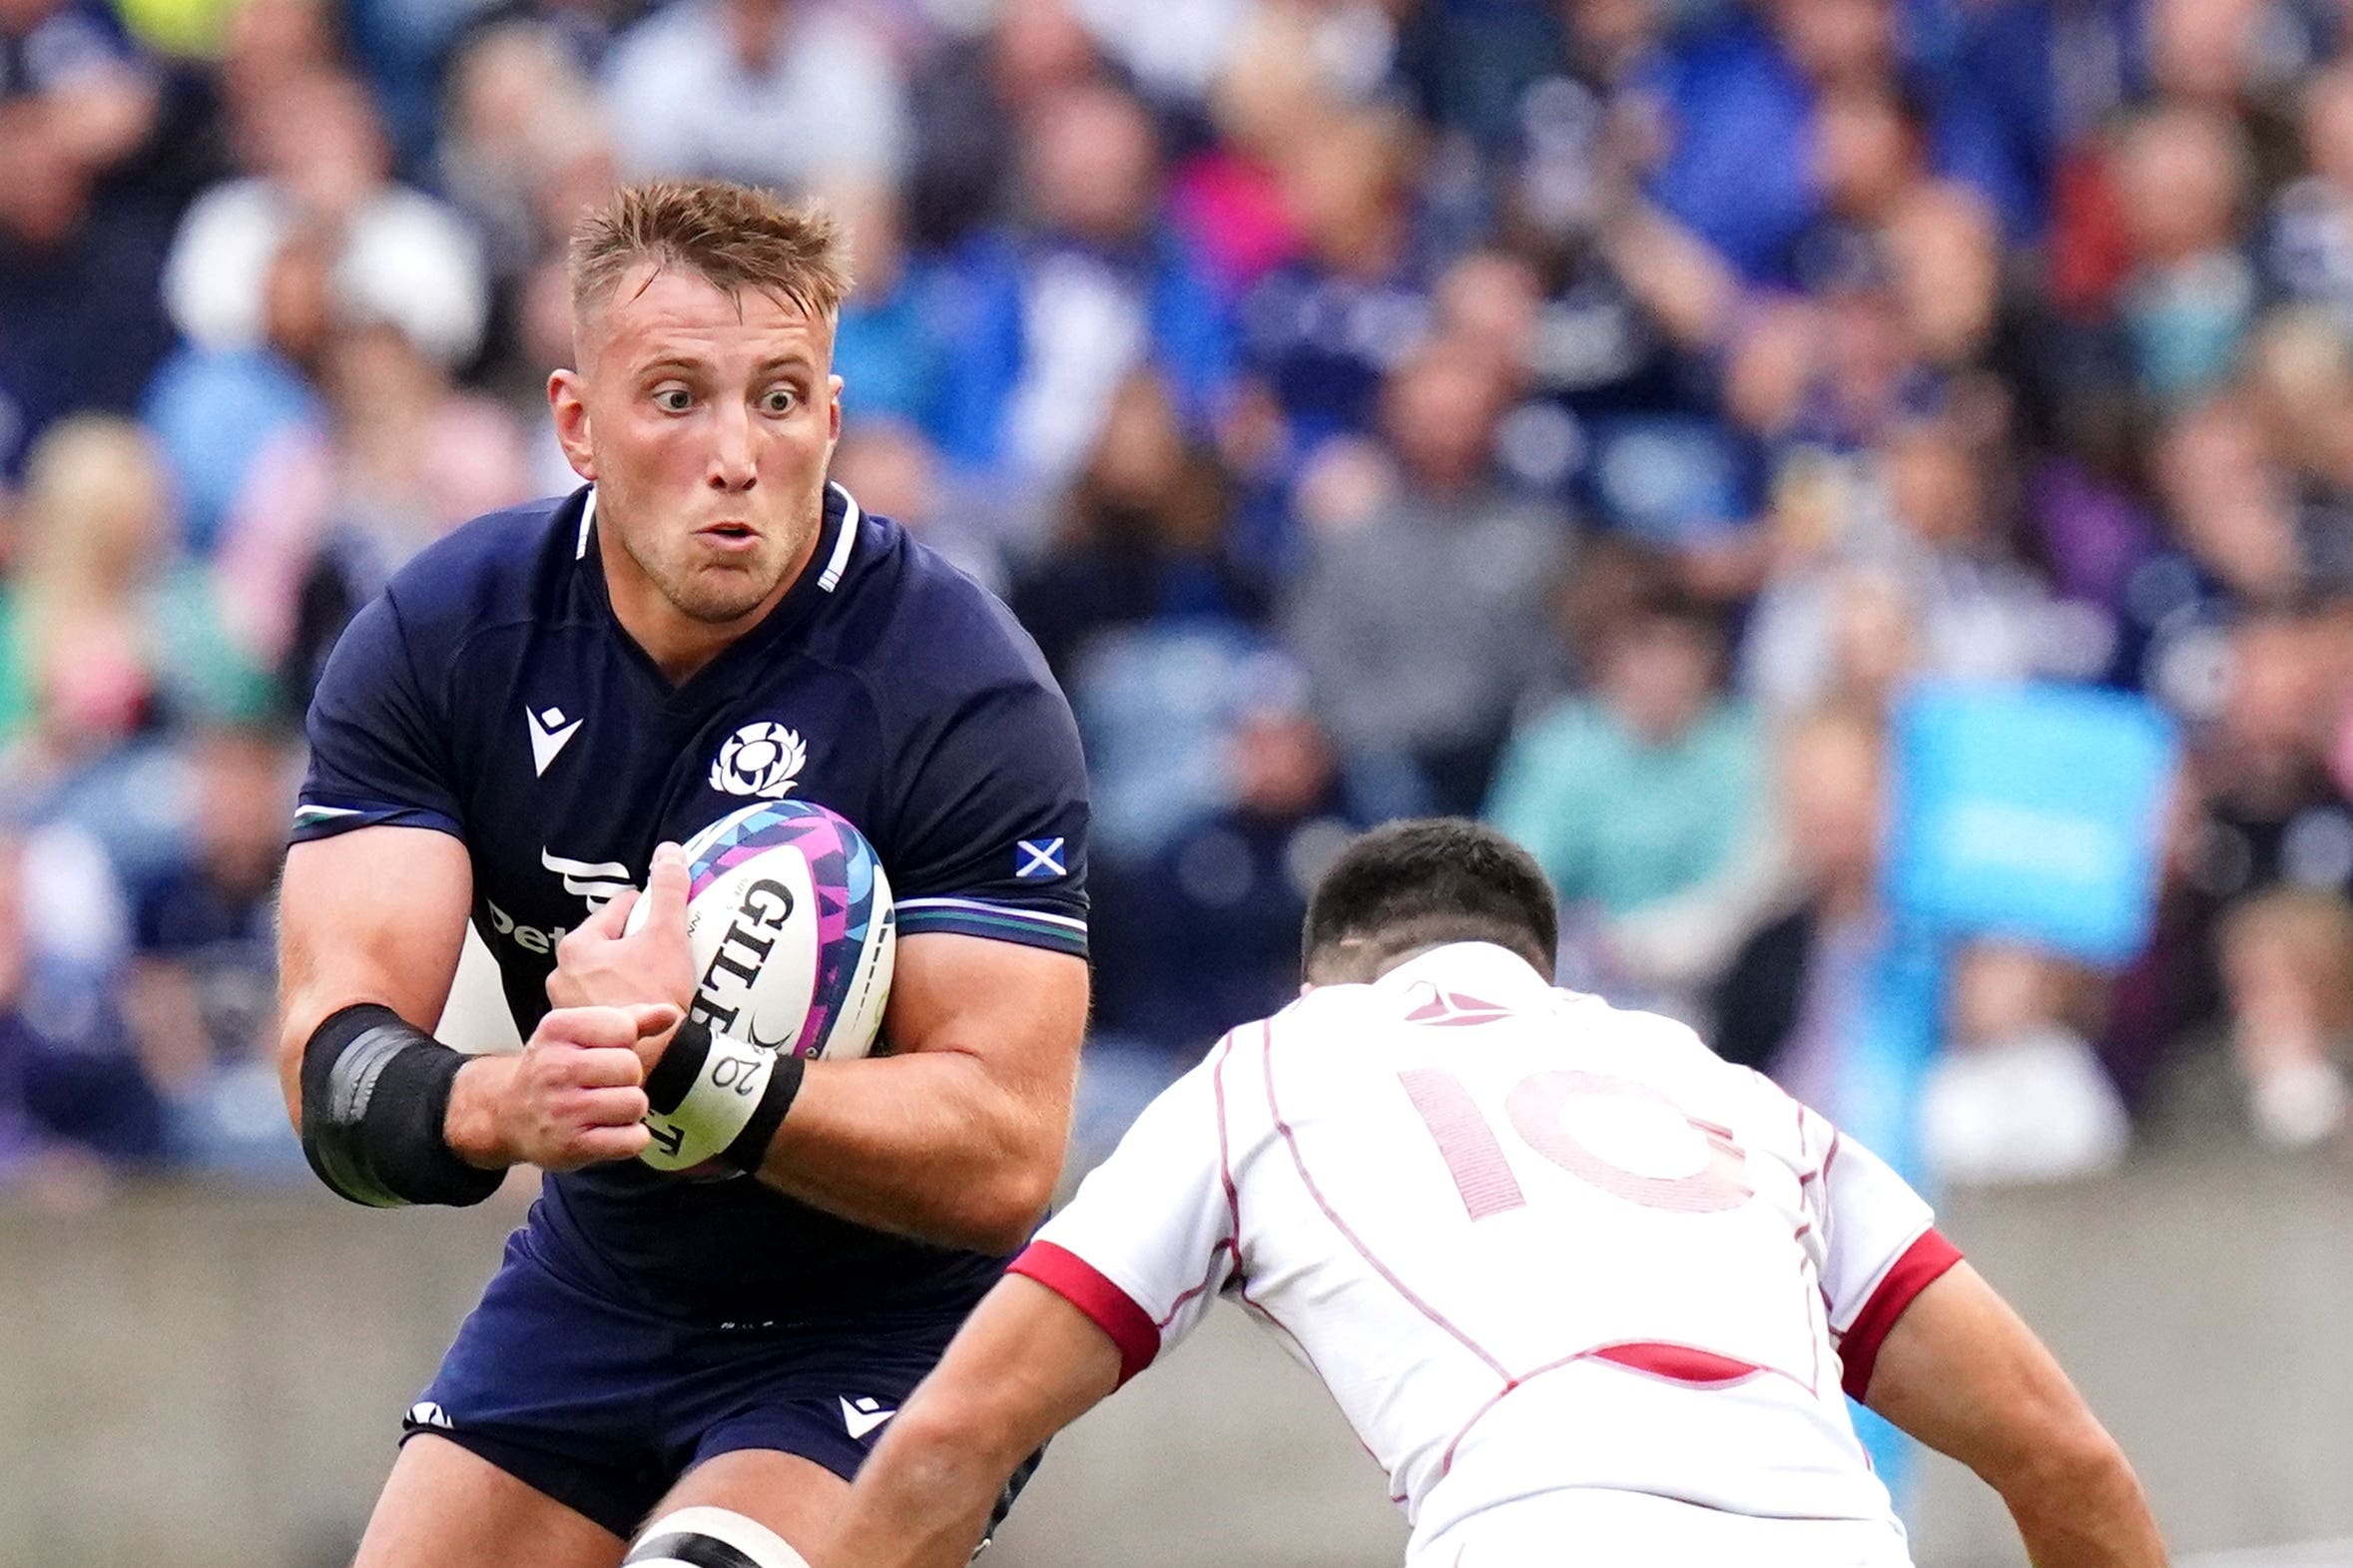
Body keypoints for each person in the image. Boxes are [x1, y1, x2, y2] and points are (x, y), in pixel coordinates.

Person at [274, 179, 1091, 1568]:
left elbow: (1006, 1154)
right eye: (676, 398)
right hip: (602, 1279)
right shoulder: (446, 635)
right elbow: (329, 1064)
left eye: (778, 399)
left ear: (829, 418)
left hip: (887, 1319)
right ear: (577, 424)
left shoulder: (959, 689)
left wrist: (686, 1070)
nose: (736, 453)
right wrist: (500, 1102)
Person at [811, 819, 2166, 1568]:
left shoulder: (1270, 1067)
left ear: (1323, 972)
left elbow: (950, 1441)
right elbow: (2066, 1461)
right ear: (1544, 972)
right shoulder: (1736, 1098)